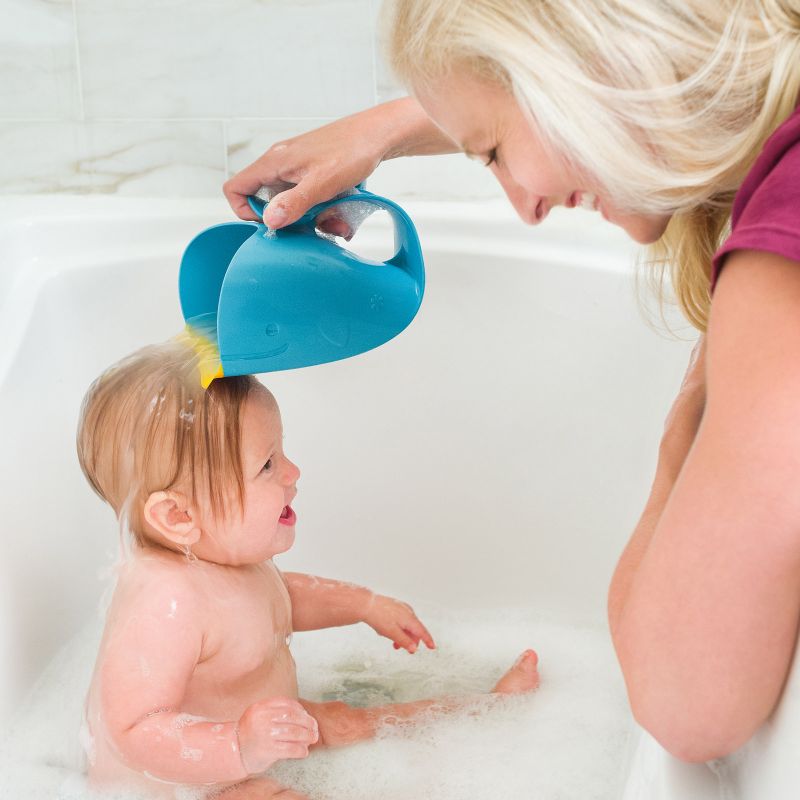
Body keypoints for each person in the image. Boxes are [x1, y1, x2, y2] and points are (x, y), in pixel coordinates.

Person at [223, 0, 800, 767]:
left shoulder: (777, 264)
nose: (522, 206)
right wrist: (392, 129)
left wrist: (682, 440)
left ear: (591, 66)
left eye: (491, 151)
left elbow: (687, 711)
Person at [76, 337, 539, 799]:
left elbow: (279, 600)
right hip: (195, 784)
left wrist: (364, 604)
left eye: (282, 452)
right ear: (179, 516)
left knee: (350, 721)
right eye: (267, 465)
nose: (293, 472)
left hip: (267, 733)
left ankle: (489, 710)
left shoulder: (223, 560)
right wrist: (237, 744)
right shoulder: (166, 602)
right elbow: (134, 731)